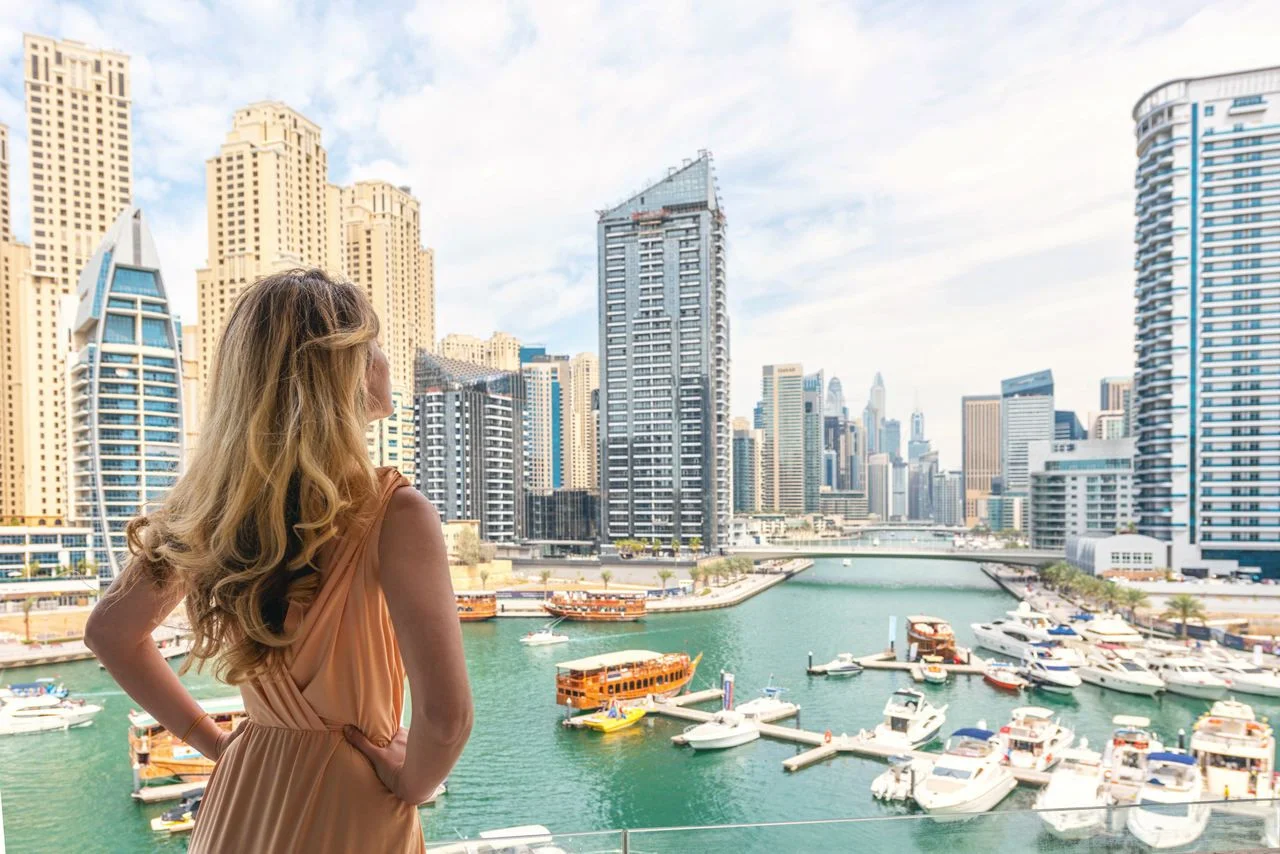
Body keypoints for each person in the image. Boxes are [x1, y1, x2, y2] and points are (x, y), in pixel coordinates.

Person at [86, 269, 472, 853]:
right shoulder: (395, 512)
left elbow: (110, 633)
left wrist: (216, 743)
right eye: (373, 343)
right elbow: (447, 719)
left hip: (244, 796)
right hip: (350, 809)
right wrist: (411, 783)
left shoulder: (216, 509)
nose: (385, 358)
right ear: (343, 370)